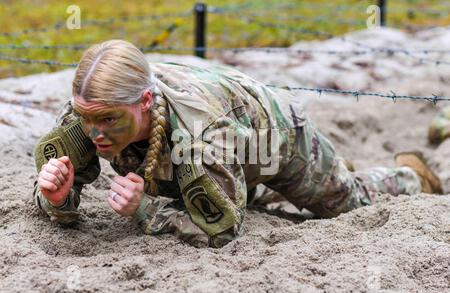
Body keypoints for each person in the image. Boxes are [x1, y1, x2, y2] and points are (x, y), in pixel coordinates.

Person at [33, 40, 443, 248]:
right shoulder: (90, 111)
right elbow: (59, 193)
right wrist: (57, 197)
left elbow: (223, 230)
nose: (95, 133)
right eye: (87, 118)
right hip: (221, 149)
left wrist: (145, 209)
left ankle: (411, 175)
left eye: (107, 120)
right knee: (205, 182)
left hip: (274, 139)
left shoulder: (201, 136)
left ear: (144, 102)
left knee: (343, 201)